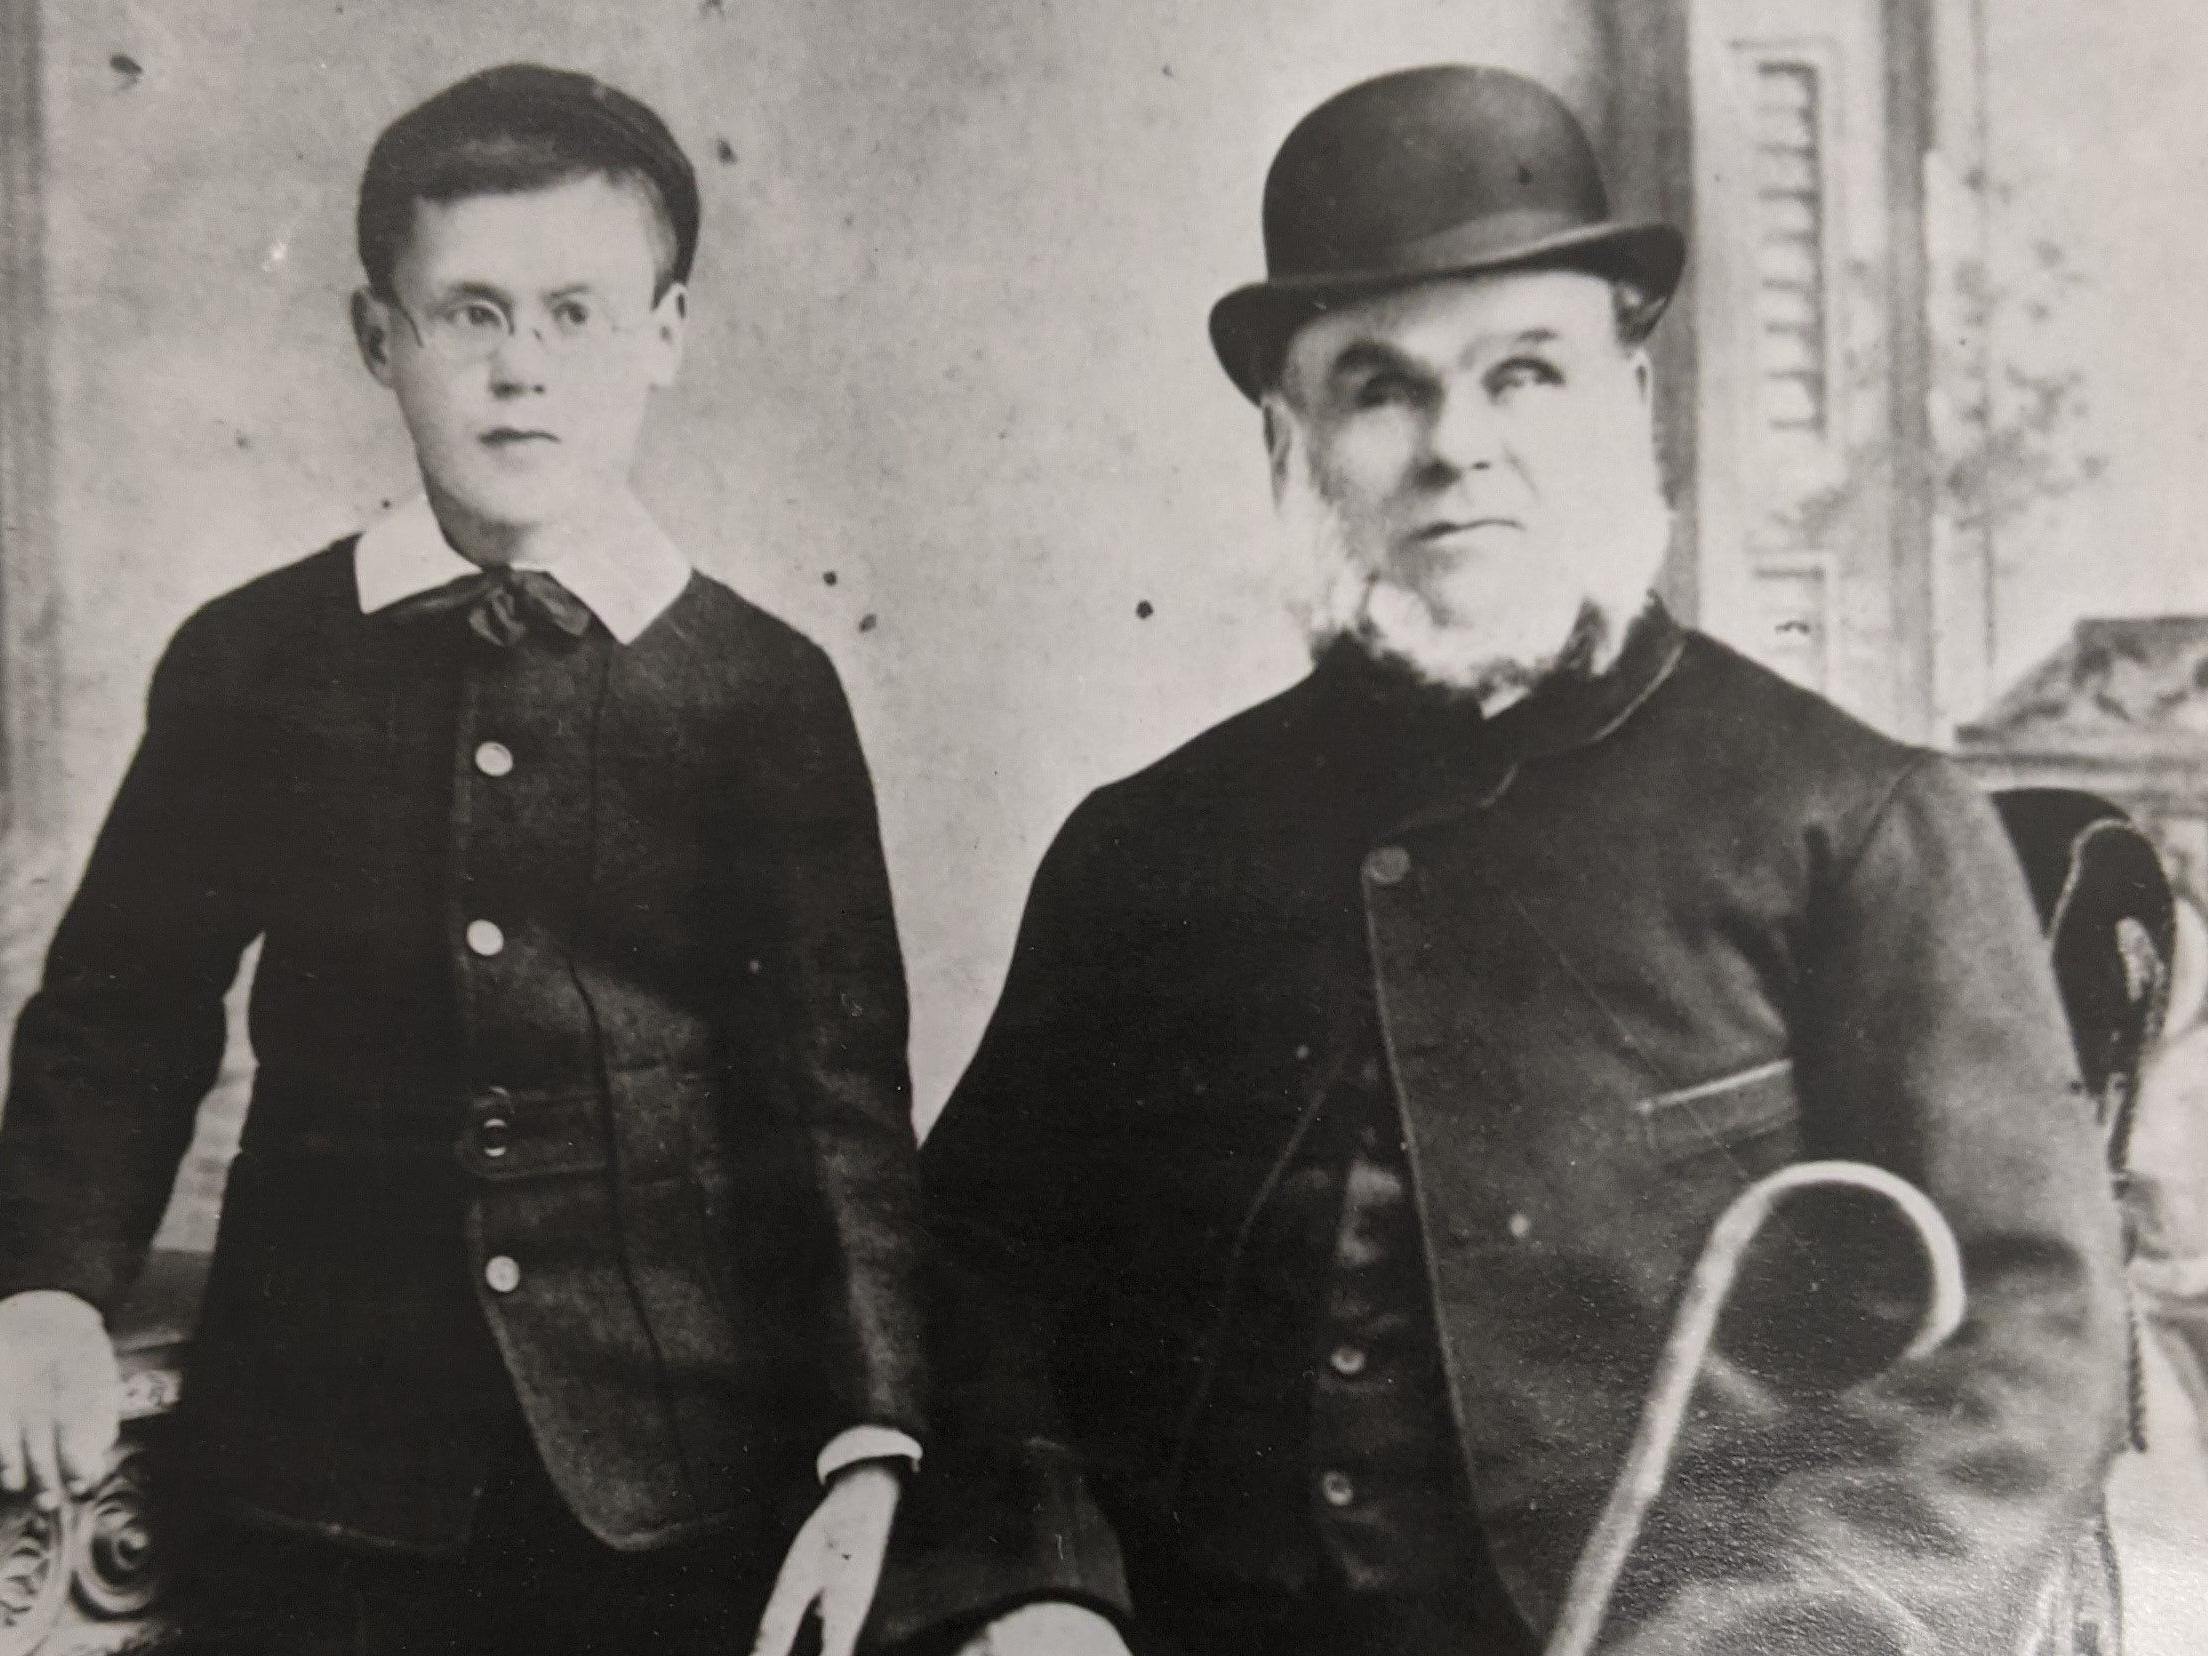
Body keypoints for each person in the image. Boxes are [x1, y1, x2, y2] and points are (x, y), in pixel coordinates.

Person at [877, 66, 2129, 1656]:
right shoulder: (1146, 851)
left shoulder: (1855, 823)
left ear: (1630, 401)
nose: (1456, 446)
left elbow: (2032, 1328)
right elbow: (975, 1264)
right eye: (1379, 387)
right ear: (1292, 442)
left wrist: (1783, 1630)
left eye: (1523, 374)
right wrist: (1034, 1585)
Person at [0, 64, 922, 1656]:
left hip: (675, 1470)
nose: (520, 371)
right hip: (317, 1458)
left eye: (575, 315)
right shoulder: (255, 657)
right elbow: (126, 1006)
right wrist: (46, 1280)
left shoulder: (759, 689)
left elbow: (833, 1106)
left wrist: (870, 1432)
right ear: (375, 336)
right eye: (467, 313)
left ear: (666, 335)